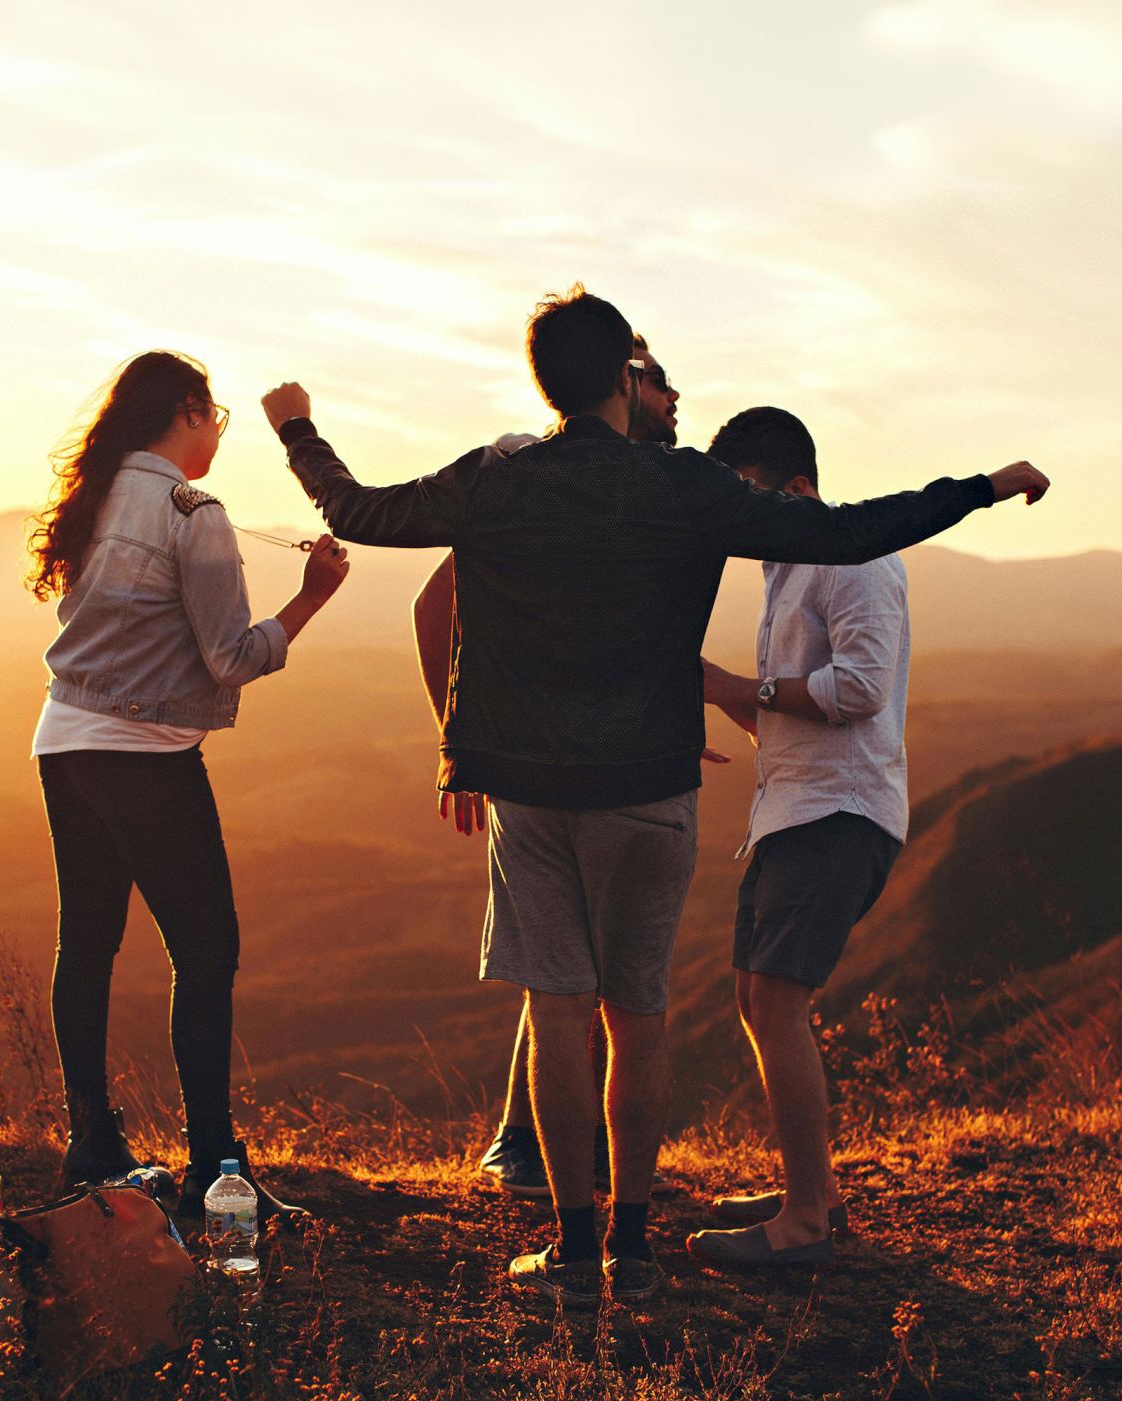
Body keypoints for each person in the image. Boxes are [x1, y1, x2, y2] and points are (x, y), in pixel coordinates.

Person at [260, 286, 1048, 1305]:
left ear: (547, 379)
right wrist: (980, 486)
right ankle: (633, 1247)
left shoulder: (497, 481)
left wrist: (297, 430)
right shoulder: (679, 486)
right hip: (651, 785)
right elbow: (849, 532)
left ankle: (575, 1251)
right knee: (640, 1018)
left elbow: (360, 511)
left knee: (558, 1015)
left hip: (534, 790)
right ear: (626, 381)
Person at [26, 349, 350, 1222]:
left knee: (88, 944)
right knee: (206, 954)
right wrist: (313, 596)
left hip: (64, 742)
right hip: (147, 756)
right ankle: (218, 1171)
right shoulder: (193, 513)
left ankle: (91, 1146)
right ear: (188, 412)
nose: (217, 437)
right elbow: (232, 657)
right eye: (216, 419)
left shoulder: (96, 496)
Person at [411, 336, 684, 1200]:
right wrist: (460, 744)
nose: (677, 396)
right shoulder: (530, 475)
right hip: (541, 764)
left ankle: (553, 1158)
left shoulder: (637, 491)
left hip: (603, 759)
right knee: (566, 974)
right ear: (617, 385)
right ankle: (529, 1148)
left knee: (576, 972)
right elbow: (434, 603)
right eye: (657, 378)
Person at [685, 407, 911, 1271]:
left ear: (799, 487)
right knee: (756, 998)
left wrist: (746, 685)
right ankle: (808, 1189)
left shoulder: (850, 558)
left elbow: (856, 691)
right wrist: (716, 693)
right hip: (794, 810)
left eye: (746, 495)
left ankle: (806, 1221)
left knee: (777, 1002)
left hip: (839, 815)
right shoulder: (786, 570)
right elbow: (786, 707)